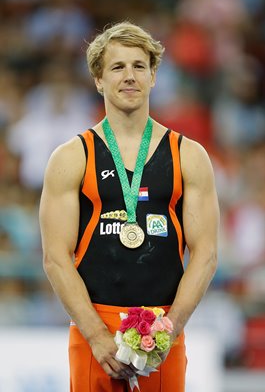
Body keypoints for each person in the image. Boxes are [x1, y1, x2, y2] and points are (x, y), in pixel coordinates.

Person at [39, 21, 219, 392]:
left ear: (153, 77)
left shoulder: (189, 156)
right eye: (117, 67)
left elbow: (206, 253)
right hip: (96, 329)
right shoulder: (72, 157)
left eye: (139, 66)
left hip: (164, 327)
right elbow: (56, 256)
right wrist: (95, 334)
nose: (130, 76)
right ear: (98, 80)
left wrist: (170, 329)